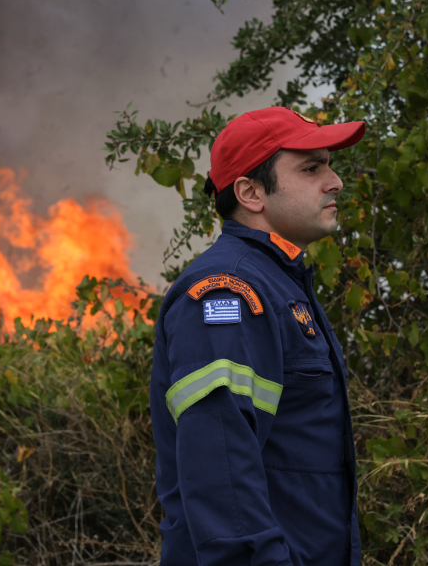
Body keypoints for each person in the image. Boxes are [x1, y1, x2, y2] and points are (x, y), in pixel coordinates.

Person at [149, 106, 366, 566]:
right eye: (311, 168)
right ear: (250, 192)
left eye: (328, 164)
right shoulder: (229, 289)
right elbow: (219, 464)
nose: (334, 181)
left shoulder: (279, 283)